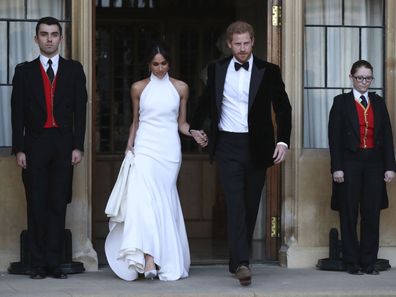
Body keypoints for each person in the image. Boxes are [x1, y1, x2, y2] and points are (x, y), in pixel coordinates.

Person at [190, 20, 292, 286]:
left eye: (247, 43)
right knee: (235, 204)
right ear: (229, 44)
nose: (243, 49)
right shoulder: (216, 69)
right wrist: (194, 128)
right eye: (238, 44)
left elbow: (283, 108)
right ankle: (244, 264)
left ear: (253, 42)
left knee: (249, 205)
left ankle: (237, 260)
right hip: (227, 146)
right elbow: (205, 103)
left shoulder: (268, 70)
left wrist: (282, 142)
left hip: (258, 147)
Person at [105, 41, 191, 281]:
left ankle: (161, 258)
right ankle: (149, 258)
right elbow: (136, 120)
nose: (160, 68)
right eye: (155, 64)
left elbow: (181, 123)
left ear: (169, 63)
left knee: (163, 202)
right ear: (148, 64)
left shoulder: (181, 88)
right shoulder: (138, 88)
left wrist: (193, 132)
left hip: (169, 151)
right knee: (143, 202)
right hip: (144, 148)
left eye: (164, 63)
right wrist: (129, 145)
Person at [11, 16, 87, 279]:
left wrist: (79, 146)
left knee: (58, 203)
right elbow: (16, 113)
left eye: (54, 34)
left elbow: (81, 111)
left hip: (64, 145)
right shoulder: (23, 71)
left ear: (61, 38)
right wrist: (19, 149)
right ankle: (37, 264)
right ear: (36, 39)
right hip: (34, 144)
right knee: (36, 204)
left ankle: (55, 264)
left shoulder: (75, 70)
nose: (49, 38)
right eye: (44, 34)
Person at [328, 60, 396, 275]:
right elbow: (335, 138)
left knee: (371, 212)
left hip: (374, 163)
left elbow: (387, 135)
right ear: (351, 77)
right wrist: (337, 167)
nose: (364, 82)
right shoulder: (340, 102)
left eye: (368, 78)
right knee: (348, 212)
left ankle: (368, 262)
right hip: (349, 163)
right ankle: (351, 262)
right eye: (360, 78)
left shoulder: (378, 102)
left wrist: (390, 166)